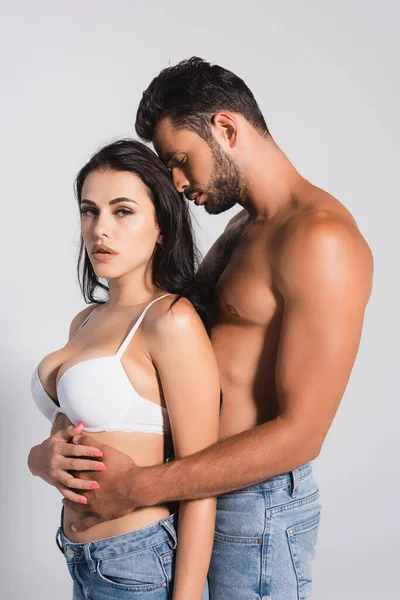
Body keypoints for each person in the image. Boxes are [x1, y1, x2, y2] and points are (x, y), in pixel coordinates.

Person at [32, 58, 374, 599]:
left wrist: (138, 488)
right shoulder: (244, 228)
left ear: (226, 128)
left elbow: (302, 435)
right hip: (193, 495)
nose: (176, 182)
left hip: (255, 509)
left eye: (180, 160)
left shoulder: (320, 239)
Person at [28, 138, 220, 600]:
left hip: (137, 563)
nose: (100, 230)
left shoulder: (170, 320)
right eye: (89, 211)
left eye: (122, 211)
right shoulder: (86, 320)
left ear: (161, 227)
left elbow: (200, 481)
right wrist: (39, 460)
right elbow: (64, 437)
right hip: (80, 562)